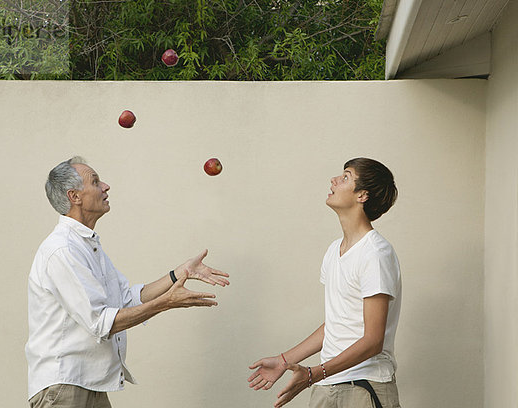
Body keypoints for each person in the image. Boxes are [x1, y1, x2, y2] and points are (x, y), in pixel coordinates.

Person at [25, 156, 229, 408]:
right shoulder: (62, 250)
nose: (106, 186)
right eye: (96, 181)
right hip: (65, 387)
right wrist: (166, 303)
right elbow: (101, 322)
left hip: (91, 385)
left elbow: (125, 300)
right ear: (74, 196)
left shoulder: (87, 245)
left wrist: (178, 274)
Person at [248, 158, 401, 408]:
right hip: (326, 386)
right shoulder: (334, 251)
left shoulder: (376, 253)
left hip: (363, 388)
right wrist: (284, 360)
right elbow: (337, 322)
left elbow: (374, 341)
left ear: (362, 195)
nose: (334, 180)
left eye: (346, 177)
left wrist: (313, 374)